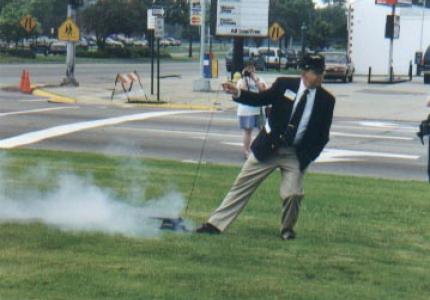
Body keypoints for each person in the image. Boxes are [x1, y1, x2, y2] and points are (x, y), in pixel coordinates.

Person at [196, 54, 336, 240]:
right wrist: (237, 93)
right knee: (241, 186)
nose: (320, 77)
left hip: (294, 154)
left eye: (322, 73)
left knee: (293, 194)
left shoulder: (326, 100)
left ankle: (287, 229)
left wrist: (307, 157)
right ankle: (214, 224)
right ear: (304, 72)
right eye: (316, 73)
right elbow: (260, 99)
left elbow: (323, 135)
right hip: (267, 148)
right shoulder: (284, 85)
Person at [236, 64, 268, 158]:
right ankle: (246, 151)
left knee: (262, 130)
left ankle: (261, 149)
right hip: (246, 110)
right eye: (248, 70)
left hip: (258, 109)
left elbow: (264, 90)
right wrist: (245, 79)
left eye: (252, 70)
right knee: (248, 131)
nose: (250, 72)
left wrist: (255, 79)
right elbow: (242, 92)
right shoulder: (241, 81)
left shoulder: (260, 79)